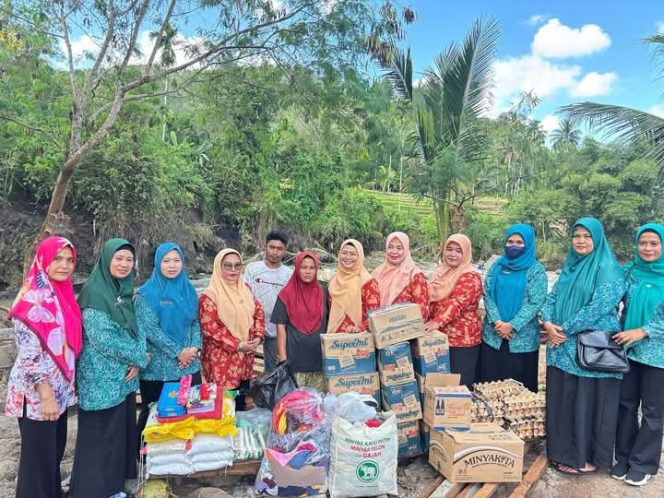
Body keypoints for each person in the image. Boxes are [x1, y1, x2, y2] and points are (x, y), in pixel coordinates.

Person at [541, 217, 625, 475]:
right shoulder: (570, 266)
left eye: (587, 236)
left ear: (597, 239)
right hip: (561, 348)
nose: (580, 241)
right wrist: (547, 322)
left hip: (590, 350)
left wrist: (562, 328)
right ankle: (562, 452)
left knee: (587, 404)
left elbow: (598, 307)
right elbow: (552, 297)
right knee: (564, 401)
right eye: (576, 235)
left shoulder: (609, 269)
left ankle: (585, 458)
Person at [5, 236, 82, 498]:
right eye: (57, 259)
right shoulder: (31, 300)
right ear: (43, 260)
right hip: (37, 394)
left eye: (69, 260)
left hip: (58, 391)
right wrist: (46, 394)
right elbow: (29, 355)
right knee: (37, 464)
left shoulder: (62, 294)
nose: (64, 265)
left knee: (53, 455)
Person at [71, 238, 148, 498]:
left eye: (128, 259)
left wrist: (137, 359)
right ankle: (91, 491)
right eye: (119, 258)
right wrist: (139, 356)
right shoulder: (94, 292)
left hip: (123, 378)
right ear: (106, 259)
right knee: (100, 437)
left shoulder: (123, 291)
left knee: (118, 434)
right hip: (100, 378)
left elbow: (136, 327)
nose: (124, 264)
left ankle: (115, 486)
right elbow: (103, 339)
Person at [612, 223, 664, 486]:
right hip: (627, 351)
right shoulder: (629, 271)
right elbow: (611, 296)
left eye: (654, 243)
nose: (648, 248)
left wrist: (642, 331)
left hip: (658, 355)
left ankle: (643, 463)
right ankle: (622, 456)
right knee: (625, 405)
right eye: (643, 243)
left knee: (654, 412)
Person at [136, 242, 202, 449]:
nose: (172, 265)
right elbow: (150, 330)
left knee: (191, 412)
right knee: (156, 414)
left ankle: (183, 459)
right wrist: (178, 352)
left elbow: (194, 322)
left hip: (188, 366)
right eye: (166, 261)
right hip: (158, 369)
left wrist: (194, 348)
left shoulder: (189, 291)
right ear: (157, 263)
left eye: (176, 260)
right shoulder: (146, 294)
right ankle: (147, 459)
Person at [480, 224, 548, 392]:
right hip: (493, 336)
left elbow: (536, 302)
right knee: (488, 386)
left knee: (518, 390)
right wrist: (497, 321)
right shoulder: (497, 266)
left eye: (519, 242)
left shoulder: (536, 270)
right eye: (510, 241)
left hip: (522, 340)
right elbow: (487, 293)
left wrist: (511, 325)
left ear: (529, 244)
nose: (514, 246)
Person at [200, 249, 265, 410]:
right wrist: (237, 344)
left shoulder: (246, 289)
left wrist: (257, 336)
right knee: (224, 405)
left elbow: (258, 312)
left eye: (237, 266)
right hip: (221, 361)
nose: (233, 270)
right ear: (218, 267)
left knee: (241, 402)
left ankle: (240, 435)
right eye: (228, 266)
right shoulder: (209, 296)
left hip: (245, 358)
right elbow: (211, 329)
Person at [426, 233, 482, 388]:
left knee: (459, 386)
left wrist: (436, 322)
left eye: (458, 251)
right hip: (438, 336)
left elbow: (457, 303)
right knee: (439, 384)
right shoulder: (439, 272)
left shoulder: (470, 276)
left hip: (462, 340)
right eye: (449, 249)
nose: (452, 254)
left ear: (466, 254)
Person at [272, 251, 329, 391]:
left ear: (316, 269)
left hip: (319, 359)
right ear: (296, 268)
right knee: (296, 405)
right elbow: (280, 329)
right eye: (303, 267)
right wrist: (283, 360)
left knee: (317, 404)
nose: (308, 271)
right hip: (295, 359)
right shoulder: (286, 294)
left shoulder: (324, 292)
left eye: (312, 268)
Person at [244, 230, 292, 374]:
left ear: (285, 251)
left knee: (272, 366)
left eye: (279, 249)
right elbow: (245, 294)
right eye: (272, 247)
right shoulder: (252, 269)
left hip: (276, 327)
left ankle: (271, 391)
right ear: (265, 247)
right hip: (252, 324)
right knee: (246, 363)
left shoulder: (288, 274)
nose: (275, 252)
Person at [327, 239, 381, 333]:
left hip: (358, 340)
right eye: (344, 253)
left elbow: (375, 315)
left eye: (352, 254)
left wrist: (360, 328)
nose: (348, 257)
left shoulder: (368, 282)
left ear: (360, 256)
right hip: (334, 340)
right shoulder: (333, 281)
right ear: (339, 255)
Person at [372, 231, 429, 319]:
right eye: (390, 247)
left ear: (406, 250)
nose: (394, 252)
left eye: (399, 248)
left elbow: (421, 311)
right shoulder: (378, 273)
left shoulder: (415, 276)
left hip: (405, 328)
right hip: (376, 325)